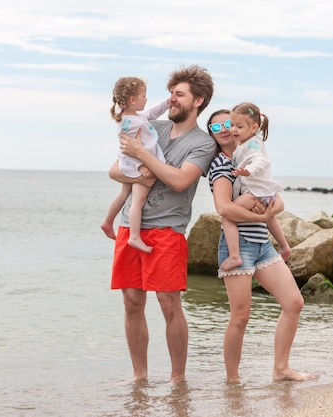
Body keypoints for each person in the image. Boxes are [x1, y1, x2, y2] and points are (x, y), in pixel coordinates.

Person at [108, 65, 217, 384]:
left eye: (179, 94)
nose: (171, 99)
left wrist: (143, 157)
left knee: (169, 305)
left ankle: (177, 380)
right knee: (131, 303)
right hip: (131, 227)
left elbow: (181, 181)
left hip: (168, 230)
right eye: (171, 93)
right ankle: (140, 378)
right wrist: (140, 173)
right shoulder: (148, 125)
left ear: (198, 100)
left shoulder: (203, 143)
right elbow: (115, 170)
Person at [207, 108, 315, 383]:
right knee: (240, 316)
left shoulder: (253, 156)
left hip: (262, 244)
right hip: (238, 245)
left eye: (228, 124)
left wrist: (279, 235)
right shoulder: (221, 166)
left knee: (294, 302)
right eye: (216, 128)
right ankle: (232, 381)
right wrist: (263, 215)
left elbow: (275, 201)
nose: (225, 130)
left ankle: (281, 369)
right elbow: (225, 209)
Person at [101, 77, 169, 253]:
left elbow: (153, 112)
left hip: (130, 165)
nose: (146, 99)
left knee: (124, 193)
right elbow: (128, 149)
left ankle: (108, 222)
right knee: (137, 202)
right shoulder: (129, 124)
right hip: (136, 164)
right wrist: (140, 166)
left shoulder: (133, 117)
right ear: (133, 99)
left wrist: (167, 103)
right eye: (144, 95)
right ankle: (134, 237)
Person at [218, 102, 288, 271]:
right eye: (232, 125)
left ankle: (234, 255)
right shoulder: (245, 143)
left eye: (239, 126)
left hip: (255, 192)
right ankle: (284, 246)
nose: (233, 130)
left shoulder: (252, 144)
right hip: (263, 191)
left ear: (254, 127)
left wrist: (248, 171)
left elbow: (260, 160)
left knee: (228, 217)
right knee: (270, 217)